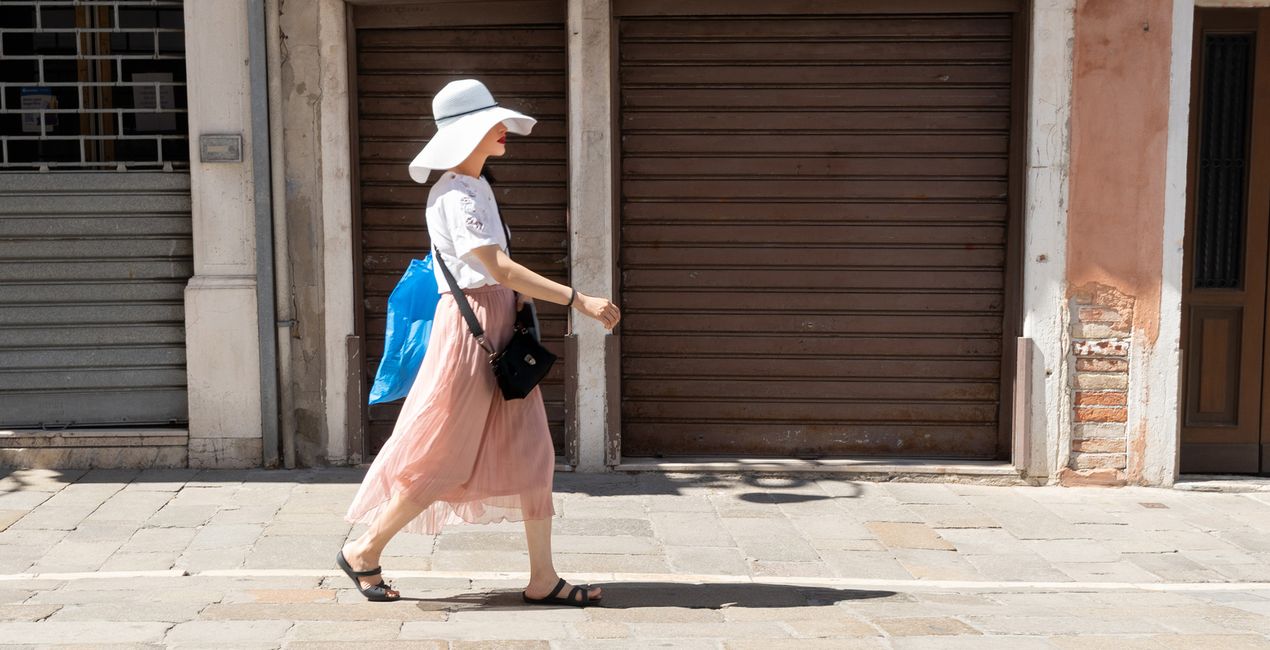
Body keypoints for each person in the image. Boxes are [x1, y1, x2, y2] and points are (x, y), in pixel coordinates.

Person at [337, 79, 620, 607]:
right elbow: (498, 267)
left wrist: (521, 302)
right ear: (466, 132)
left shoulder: (475, 186)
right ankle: (364, 549)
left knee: (534, 453)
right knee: (442, 455)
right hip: (472, 334)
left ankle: (543, 578)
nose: (502, 129)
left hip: (498, 325)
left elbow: (496, 272)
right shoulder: (456, 193)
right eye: (492, 122)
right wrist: (577, 299)